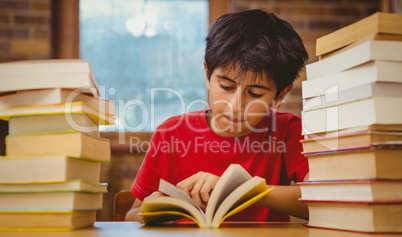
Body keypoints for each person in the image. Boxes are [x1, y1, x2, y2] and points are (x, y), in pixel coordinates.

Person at [125, 9, 309, 222]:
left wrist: (245, 189)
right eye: (226, 86)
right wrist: (152, 209)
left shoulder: (288, 130)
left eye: (255, 94)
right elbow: (129, 217)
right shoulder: (171, 133)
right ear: (207, 75)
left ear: (281, 94)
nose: (235, 106)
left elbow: (328, 199)